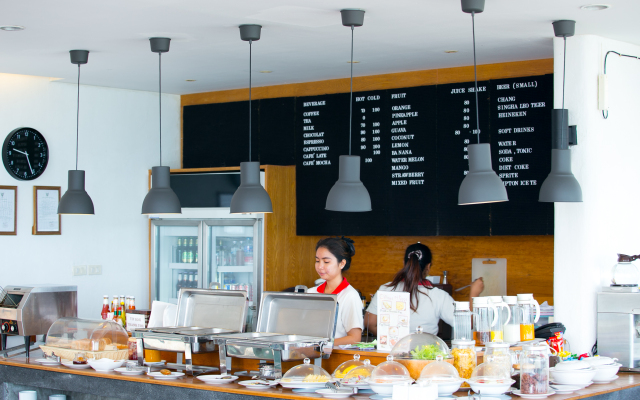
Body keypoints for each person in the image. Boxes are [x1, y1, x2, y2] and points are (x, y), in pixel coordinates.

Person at [365, 243, 484, 335]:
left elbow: (369, 323)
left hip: (392, 357)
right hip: (426, 358)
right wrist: (474, 293)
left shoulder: (385, 289)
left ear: (404, 263)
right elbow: (466, 325)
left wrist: (392, 339)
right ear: (428, 267)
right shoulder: (439, 296)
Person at [307, 237, 363, 346]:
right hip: (310, 358)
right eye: (317, 261)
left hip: (337, 359)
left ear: (342, 263)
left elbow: (355, 338)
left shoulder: (349, 296)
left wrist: (322, 345)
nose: (320, 266)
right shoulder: (310, 292)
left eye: (326, 261)